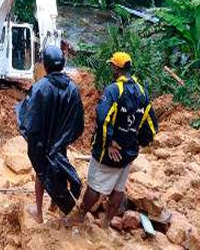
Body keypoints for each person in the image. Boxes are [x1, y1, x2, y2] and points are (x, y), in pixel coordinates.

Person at [70, 52, 157, 227]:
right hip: (128, 152)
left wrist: (108, 142)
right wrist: (136, 141)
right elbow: (151, 125)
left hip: (110, 152)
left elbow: (102, 117)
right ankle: (106, 222)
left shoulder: (113, 90)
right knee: (118, 188)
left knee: (95, 186)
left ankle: (79, 216)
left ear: (116, 68)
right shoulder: (142, 92)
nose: (111, 69)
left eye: (112, 66)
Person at [16, 46, 84, 224]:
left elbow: (29, 119)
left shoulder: (39, 88)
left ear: (45, 65)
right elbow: (77, 122)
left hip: (43, 145)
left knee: (42, 173)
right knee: (58, 170)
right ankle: (55, 206)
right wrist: (63, 140)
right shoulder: (72, 89)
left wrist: (36, 142)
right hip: (60, 145)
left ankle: (39, 214)